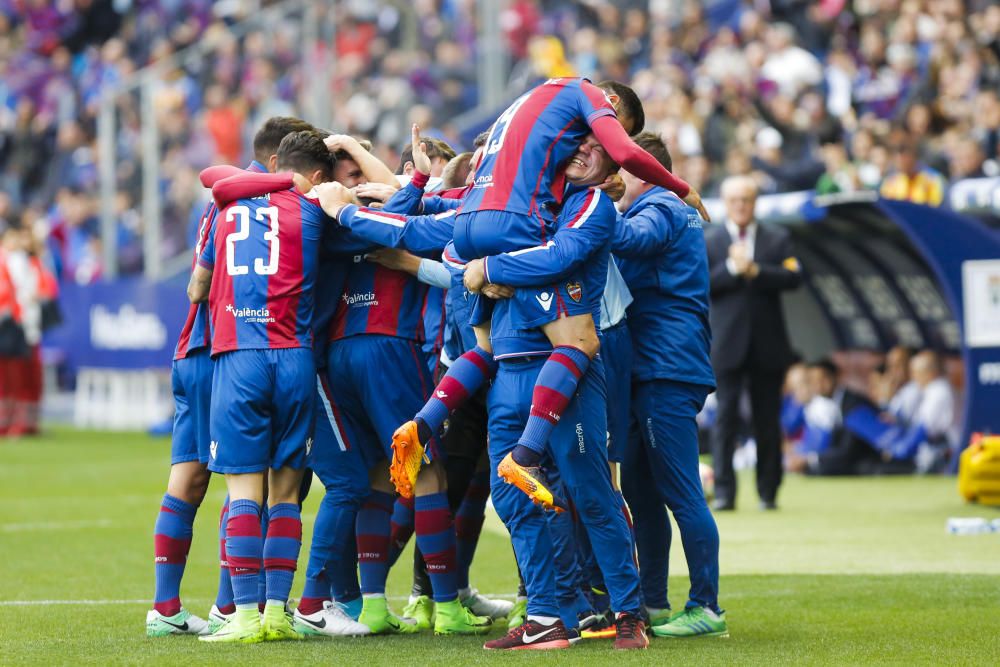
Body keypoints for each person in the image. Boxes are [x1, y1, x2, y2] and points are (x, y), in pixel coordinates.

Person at [390, 78, 708, 512]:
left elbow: (440, 212)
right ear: (609, 105)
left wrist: (375, 203)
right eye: (614, 129)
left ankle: (425, 424)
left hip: (485, 244)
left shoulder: (529, 118)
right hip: (530, 257)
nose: (607, 145)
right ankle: (526, 456)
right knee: (582, 341)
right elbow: (591, 231)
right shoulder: (582, 118)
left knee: (483, 351)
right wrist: (678, 188)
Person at [145, 116, 315, 638]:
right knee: (224, 476)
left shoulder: (233, 196)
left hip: (219, 348)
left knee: (217, 477)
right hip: (214, 348)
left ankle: (203, 606)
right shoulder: (236, 197)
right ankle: (193, 605)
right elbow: (200, 285)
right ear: (275, 163)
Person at [186, 130, 334, 643]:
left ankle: (244, 617)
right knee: (288, 495)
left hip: (240, 355)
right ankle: (276, 612)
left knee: (244, 492)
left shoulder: (225, 211)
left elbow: (196, 287)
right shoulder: (313, 209)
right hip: (295, 357)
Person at [612, 132, 727, 638]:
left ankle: (707, 608)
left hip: (667, 368)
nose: (614, 179)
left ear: (642, 170)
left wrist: (588, 205)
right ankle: (654, 600)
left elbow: (631, 241)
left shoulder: (660, 204)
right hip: (649, 367)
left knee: (681, 491)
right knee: (641, 490)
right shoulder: (662, 205)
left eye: (620, 169)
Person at [706, 175, 802, 511]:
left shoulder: (778, 238)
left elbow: (795, 277)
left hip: (767, 345)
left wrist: (757, 271)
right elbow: (701, 284)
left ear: (755, 202)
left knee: (767, 421)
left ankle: (768, 492)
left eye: (746, 200)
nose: (741, 206)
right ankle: (724, 493)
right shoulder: (711, 240)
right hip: (727, 345)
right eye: (734, 200)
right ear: (725, 203)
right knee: (725, 422)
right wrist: (733, 268)